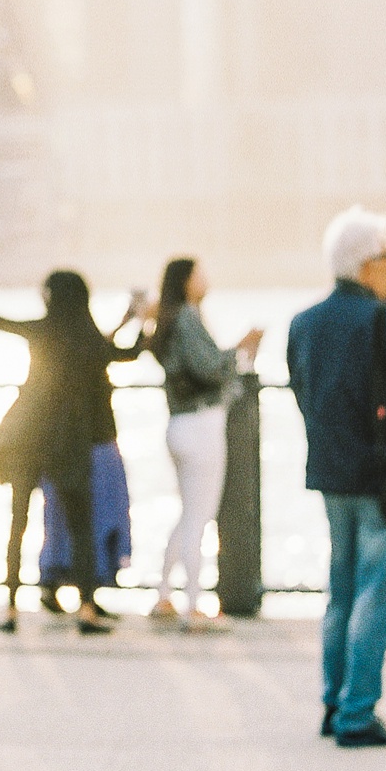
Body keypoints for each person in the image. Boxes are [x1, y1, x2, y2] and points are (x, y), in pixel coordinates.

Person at [287, 205, 386, 749]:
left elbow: (302, 395)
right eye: (385, 256)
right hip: (384, 478)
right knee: (379, 596)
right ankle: (358, 712)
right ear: (366, 264)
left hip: (332, 474)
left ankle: (334, 704)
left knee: (342, 593)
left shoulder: (303, 323)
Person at [0, 270, 148, 635]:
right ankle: (87, 611)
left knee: (17, 525)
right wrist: (141, 324)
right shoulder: (88, 338)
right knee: (81, 528)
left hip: (30, 441)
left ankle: (12, 611)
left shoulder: (41, 330)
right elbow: (126, 354)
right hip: (71, 444)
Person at [147, 258, 263, 628]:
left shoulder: (168, 319)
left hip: (179, 423)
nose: (206, 279)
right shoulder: (187, 317)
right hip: (201, 424)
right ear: (185, 282)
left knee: (187, 514)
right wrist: (242, 348)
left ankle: (165, 596)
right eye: (199, 274)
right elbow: (209, 367)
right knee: (200, 515)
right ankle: (192, 606)